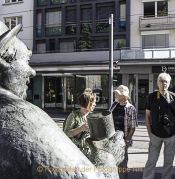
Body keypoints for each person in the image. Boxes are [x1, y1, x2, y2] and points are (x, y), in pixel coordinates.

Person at [0, 21, 105, 179]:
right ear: (3, 60)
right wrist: (106, 159)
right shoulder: (26, 118)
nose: (32, 72)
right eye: (25, 61)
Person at [143, 73, 175, 179]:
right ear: (157, 83)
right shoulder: (151, 97)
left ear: (169, 84)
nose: (163, 83)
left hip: (171, 135)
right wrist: (149, 132)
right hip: (155, 134)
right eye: (161, 81)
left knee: (169, 162)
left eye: (166, 81)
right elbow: (147, 117)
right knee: (151, 161)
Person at [110, 85, 138, 179]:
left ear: (123, 95)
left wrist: (126, 140)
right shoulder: (114, 105)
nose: (115, 95)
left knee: (123, 163)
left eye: (117, 93)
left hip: (123, 140)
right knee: (112, 162)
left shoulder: (131, 108)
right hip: (112, 139)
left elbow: (133, 127)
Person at [64, 91, 96, 158]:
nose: (95, 104)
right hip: (75, 154)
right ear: (87, 103)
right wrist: (80, 129)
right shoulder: (74, 115)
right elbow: (66, 133)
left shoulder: (91, 117)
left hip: (88, 152)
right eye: (93, 102)